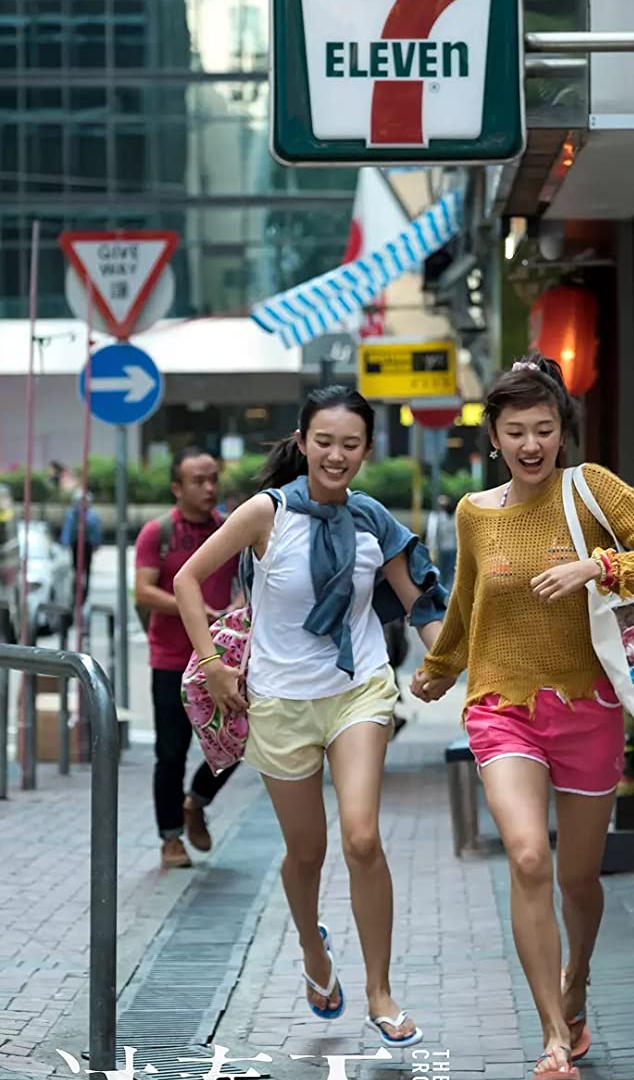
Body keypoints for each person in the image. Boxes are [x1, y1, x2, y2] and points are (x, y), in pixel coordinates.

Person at [410, 354, 634, 1080]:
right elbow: (468, 604)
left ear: (562, 431)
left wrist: (597, 568)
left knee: (578, 879)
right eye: (515, 433)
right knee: (528, 856)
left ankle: (578, 981)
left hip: (590, 711)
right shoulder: (476, 514)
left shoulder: (590, 488)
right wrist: (440, 667)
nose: (531, 445)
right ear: (493, 438)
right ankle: (552, 1038)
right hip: (502, 709)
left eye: (544, 430)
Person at [173, 387, 447, 1043]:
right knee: (307, 850)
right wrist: (212, 663)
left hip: (358, 692)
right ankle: (313, 952)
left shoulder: (373, 521)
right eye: (324, 441)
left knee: (360, 837)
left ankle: (380, 992)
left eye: (350, 444)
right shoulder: (266, 513)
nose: (336, 454)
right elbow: (187, 579)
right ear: (302, 442)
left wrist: (443, 665)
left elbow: (422, 604)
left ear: (367, 451)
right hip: (278, 700)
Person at [135, 449, 240, 871]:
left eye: (213, 478)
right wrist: (193, 606)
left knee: (236, 742)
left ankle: (196, 801)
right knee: (171, 752)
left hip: (222, 661)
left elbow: (245, 582)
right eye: (198, 481)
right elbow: (142, 591)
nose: (209, 488)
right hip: (171, 659)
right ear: (177, 487)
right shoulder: (157, 533)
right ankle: (170, 839)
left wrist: (232, 610)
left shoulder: (230, 529)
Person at [60, 490, 102, 603]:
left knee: (86, 568)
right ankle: (76, 590)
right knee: (76, 568)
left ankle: (85, 592)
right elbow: (67, 529)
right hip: (76, 543)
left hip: (87, 544)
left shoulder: (92, 516)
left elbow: (96, 531)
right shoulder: (71, 514)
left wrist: (96, 543)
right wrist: (65, 542)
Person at [425, 494, 458, 593]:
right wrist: (431, 548)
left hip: (453, 548)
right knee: (441, 571)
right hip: (441, 548)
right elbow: (432, 533)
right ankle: (442, 591)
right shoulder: (435, 517)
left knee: (451, 571)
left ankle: (449, 591)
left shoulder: (454, 516)